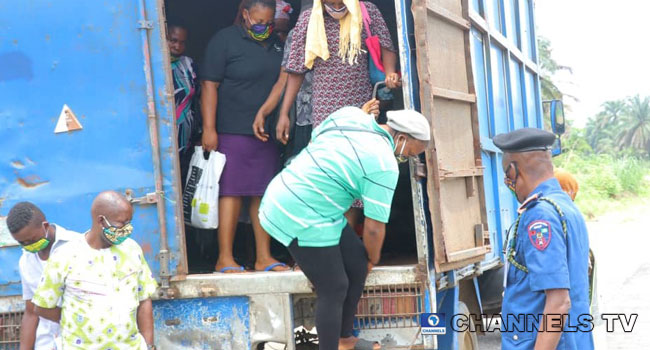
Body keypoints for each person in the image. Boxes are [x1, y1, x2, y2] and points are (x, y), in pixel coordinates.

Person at [258, 106, 430, 350]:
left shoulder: (350, 115)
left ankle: (344, 338)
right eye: (410, 154)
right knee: (334, 286)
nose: (407, 159)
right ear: (401, 138)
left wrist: (365, 260)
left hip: (310, 201)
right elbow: (373, 228)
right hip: (299, 210)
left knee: (357, 264)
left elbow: (316, 137)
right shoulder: (384, 164)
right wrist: (373, 257)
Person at [277, 0, 400, 233]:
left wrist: (391, 72)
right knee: (328, 173)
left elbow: (386, 46)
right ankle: (327, 240)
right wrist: (284, 113)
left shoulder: (367, 11)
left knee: (355, 172)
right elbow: (296, 70)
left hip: (361, 102)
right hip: (325, 107)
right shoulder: (309, 19)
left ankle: (346, 240)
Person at [201, 0, 289, 273]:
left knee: (262, 193)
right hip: (231, 129)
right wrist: (209, 128)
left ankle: (264, 257)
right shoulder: (225, 40)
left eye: (269, 23)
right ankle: (224, 258)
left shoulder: (277, 43)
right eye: (259, 22)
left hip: (264, 132)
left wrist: (270, 115)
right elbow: (209, 85)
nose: (264, 28)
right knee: (231, 193)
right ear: (245, 15)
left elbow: (284, 79)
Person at [493, 128, 594, 350]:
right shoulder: (565, 206)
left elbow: (558, 303)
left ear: (513, 170)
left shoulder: (540, 216)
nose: (507, 181)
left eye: (505, 174)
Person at [31, 191, 158, 350]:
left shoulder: (132, 249)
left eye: (129, 223)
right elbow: (42, 306)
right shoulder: (64, 256)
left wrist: (149, 345)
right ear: (101, 221)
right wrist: (76, 320)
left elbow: (144, 298)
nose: (127, 229)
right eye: (121, 224)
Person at [6, 202, 81, 350]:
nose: (29, 245)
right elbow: (31, 312)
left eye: (32, 240)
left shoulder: (79, 246)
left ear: (45, 226)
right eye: (22, 243)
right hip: (46, 343)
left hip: (79, 341)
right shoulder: (26, 261)